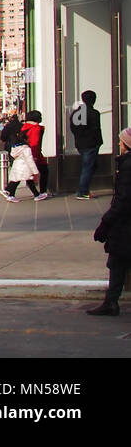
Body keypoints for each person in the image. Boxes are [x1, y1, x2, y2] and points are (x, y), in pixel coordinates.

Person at [89, 127, 131, 315]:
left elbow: (122, 200)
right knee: (117, 261)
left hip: (125, 224)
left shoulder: (128, 166)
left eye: (121, 142)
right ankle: (110, 301)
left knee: (117, 261)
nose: (119, 145)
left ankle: (111, 302)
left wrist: (106, 223)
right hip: (124, 223)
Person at [73, 91, 104, 200]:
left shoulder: (76, 113)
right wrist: (98, 141)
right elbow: (96, 129)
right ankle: (82, 191)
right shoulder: (94, 113)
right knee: (88, 167)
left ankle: (83, 189)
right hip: (91, 143)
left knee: (90, 166)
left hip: (80, 143)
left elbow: (74, 129)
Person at [20, 111, 50, 199]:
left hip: (26, 153)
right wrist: (35, 156)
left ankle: (37, 193)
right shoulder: (36, 128)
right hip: (34, 154)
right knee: (44, 171)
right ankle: (41, 192)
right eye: (40, 116)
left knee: (27, 173)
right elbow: (35, 143)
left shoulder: (25, 127)